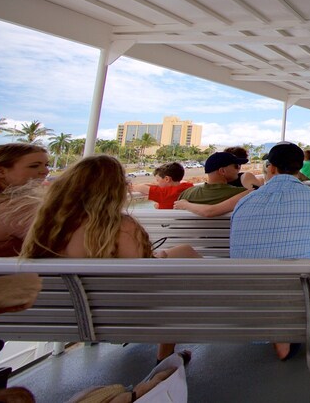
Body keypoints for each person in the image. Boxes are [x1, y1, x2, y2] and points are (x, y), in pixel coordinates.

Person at [19, 155, 201, 362]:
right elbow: (145, 276)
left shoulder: (45, 225)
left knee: (181, 251)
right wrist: (157, 256)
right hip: (125, 313)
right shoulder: (120, 226)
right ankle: (164, 357)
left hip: (61, 315)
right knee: (180, 275)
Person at [230, 143, 310, 361]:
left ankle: (280, 333)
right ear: (300, 167)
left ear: (271, 168)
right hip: (296, 288)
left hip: (246, 290)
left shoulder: (245, 202)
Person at [0, 144, 49, 257]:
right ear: (0, 171)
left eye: (46, 165)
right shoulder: (17, 207)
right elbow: (69, 247)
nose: (45, 171)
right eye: (34, 166)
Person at [178, 152, 248, 204]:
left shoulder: (186, 194)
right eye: (236, 166)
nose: (239, 168)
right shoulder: (243, 194)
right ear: (222, 171)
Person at [129, 162, 194, 209]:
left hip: (167, 225)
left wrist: (132, 187)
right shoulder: (188, 186)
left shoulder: (164, 193)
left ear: (167, 179)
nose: (157, 182)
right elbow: (157, 186)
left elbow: (141, 188)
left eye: (158, 180)